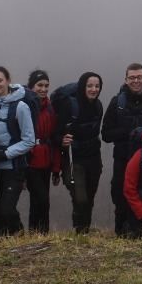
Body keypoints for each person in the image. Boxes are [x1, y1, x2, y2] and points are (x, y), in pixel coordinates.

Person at [102, 63, 142, 236]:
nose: (136, 81)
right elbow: (105, 134)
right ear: (126, 80)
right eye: (132, 78)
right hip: (123, 159)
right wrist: (128, 131)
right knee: (120, 195)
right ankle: (121, 233)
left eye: (139, 77)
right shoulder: (117, 103)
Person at [0, 66, 35, 238]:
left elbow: (29, 140)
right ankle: (0, 245)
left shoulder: (20, 106)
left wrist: (5, 153)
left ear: (8, 80)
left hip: (13, 167)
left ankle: (18, 235)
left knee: (7, 208)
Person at [54, 72, 104, 234]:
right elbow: (55, 132)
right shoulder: (70, 106)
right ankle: (79, 228)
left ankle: (84, 231)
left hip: (94, 158)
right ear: (82, 87)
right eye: (89, 86)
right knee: (80, 197)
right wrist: (61, 139)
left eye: (97, 86)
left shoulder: (98, 106)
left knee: (89, 196)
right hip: (73, 159)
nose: (94, 89)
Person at [21, 70, 60, 235]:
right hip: (30, 160)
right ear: (31, 87)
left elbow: (54, 138)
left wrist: (56, 169)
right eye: (40, 85)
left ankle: (39, 234)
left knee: (41, 200)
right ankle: (38, 233)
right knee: (41, 199)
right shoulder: (24, 107)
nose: (43, 89)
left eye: (46, 85)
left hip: (47, 160)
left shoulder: (50, 108)